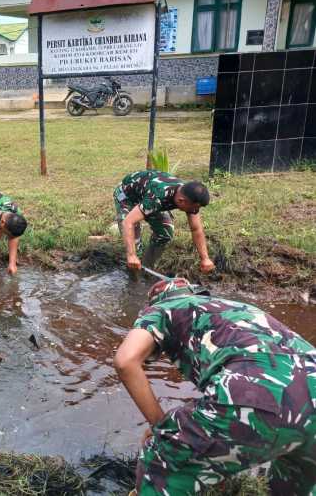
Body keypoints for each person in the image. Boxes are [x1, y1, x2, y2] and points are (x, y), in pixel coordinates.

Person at [114, 278, 316, 495]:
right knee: (294, 481)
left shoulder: (161, 309)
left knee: (161, 463)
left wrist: (160, 427)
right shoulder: (235, 307)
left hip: (257, 388)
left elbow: (125, 361)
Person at [114, 170, 214, 273]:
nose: (195, 211)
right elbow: (128, 222)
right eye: (193, 208)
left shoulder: (189, 196)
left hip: (147, 198)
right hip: (127, 197)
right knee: (135, 249)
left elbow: (196, 229)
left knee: (165, 234)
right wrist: (131, 255)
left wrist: (205, 258)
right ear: (181, 201)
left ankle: (146, 268)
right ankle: (134, 274)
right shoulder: (158, 196)